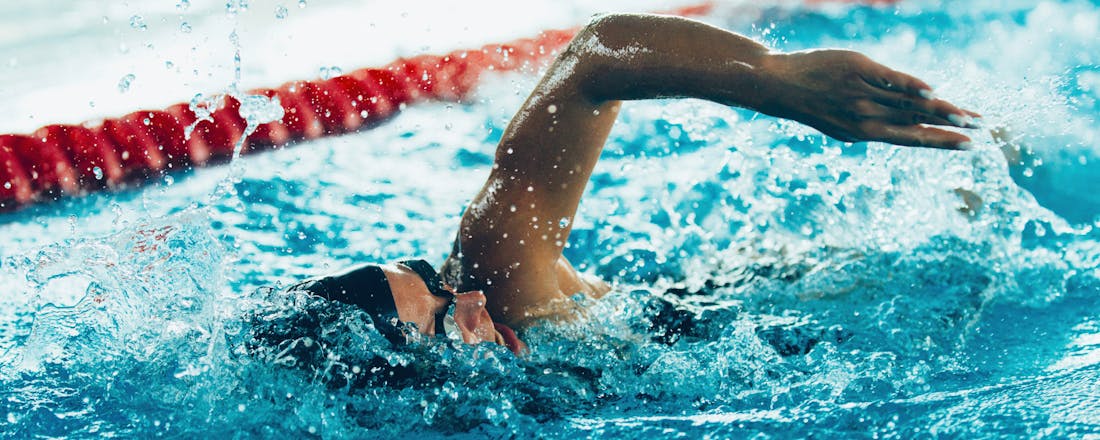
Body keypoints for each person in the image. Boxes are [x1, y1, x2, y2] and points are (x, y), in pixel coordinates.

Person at [282, 13, 980, 356]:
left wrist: (774, 79)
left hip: (719, 320)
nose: (466, 304)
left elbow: (594, 59)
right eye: (440, 324)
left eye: (430, 279)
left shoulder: (495, 282)